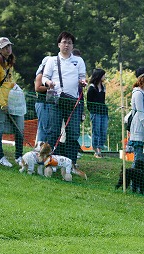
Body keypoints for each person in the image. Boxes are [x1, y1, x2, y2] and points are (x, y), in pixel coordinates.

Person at [42, 31, 87, 164]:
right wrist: (48, 83)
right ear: (59, 44)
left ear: (72, 46)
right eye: (64, 42)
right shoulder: (52, 60)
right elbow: (45, 77)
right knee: (53, 131)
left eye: (69, 43)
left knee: (73, 133)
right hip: (56, 100)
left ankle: (70, 162)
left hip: (73, 101)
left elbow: (82, 77)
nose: (66, 45)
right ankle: (49, 160)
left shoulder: (78, 61)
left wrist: (83, 82)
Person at [0, 37, 23, 167]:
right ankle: (0, 156)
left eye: (9, 46)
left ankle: (19, 156)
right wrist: (2, 103)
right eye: (5, 47)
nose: (8, 49)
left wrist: (15, 86)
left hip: (12, 101)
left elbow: (9, 81)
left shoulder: (9, 63)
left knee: (20, 128)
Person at [86, 68, 108, 158]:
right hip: (95, 112)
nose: (104, 77)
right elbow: (89, 102)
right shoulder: (91, 87)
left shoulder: (103, 87)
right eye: (103, 75)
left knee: (103, 130)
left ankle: (100, 149)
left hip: (103, 112)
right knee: (96, 131)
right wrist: (92, 111)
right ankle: (96, 150)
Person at [34, 55, 55, 144]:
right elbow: (37, 88)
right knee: (44, 126)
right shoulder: (40, 75)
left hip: (49, 102)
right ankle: (40, 146)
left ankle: (43, 146)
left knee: (46, 126)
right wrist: (50, 88)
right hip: (42, 103)